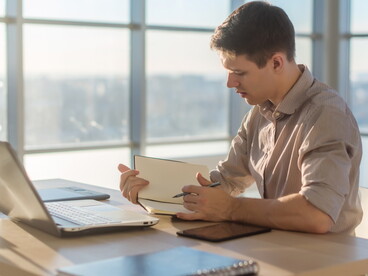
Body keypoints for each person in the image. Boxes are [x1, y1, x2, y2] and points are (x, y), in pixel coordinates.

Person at [118, 1, 362, 234]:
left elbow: (316, 214)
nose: (229, 83)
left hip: (327, 261)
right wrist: (153, 189)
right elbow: (224, 182)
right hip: (273, 247)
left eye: (238, 72)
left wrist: (231, 208)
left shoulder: (326, 114)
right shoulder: (259, 114)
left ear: (276, 62)